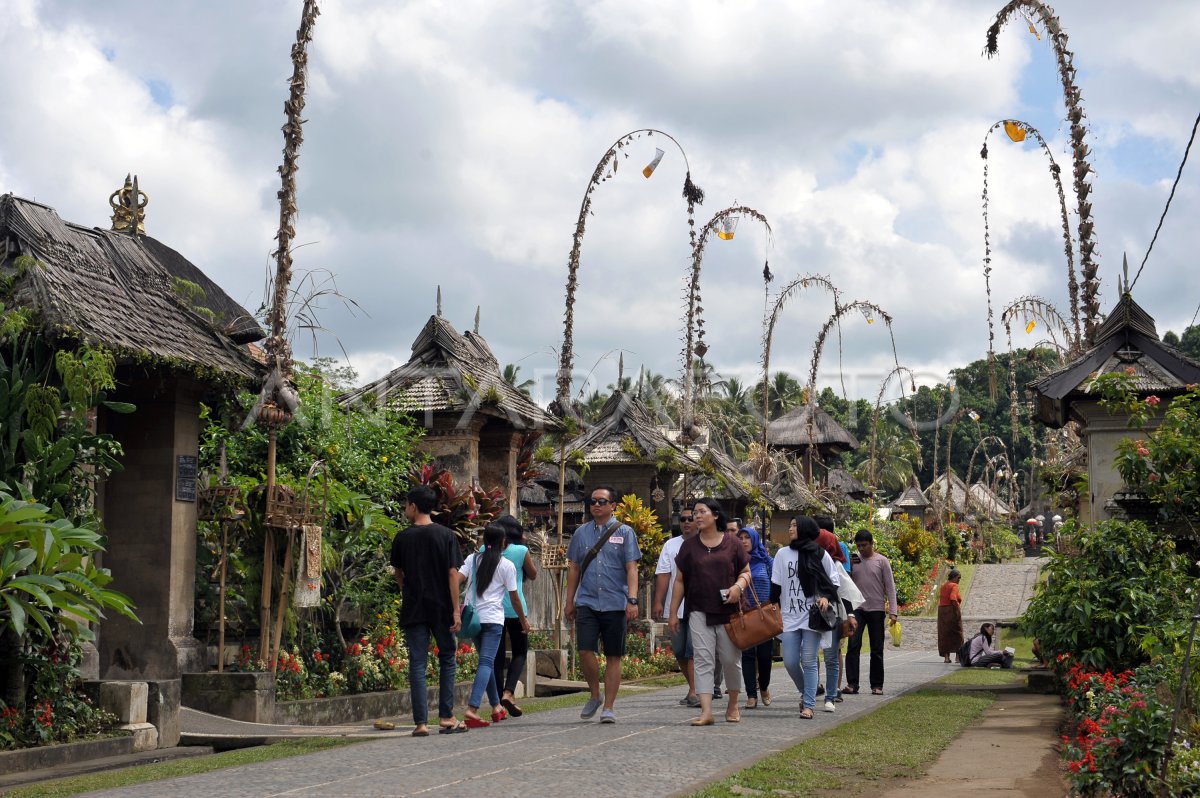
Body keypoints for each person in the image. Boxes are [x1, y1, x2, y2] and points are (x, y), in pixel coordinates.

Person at [390, 485, 466, 736]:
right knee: (447, 658)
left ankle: (421, 723)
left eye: (406, 505)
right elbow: (453, 574)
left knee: (418, 663)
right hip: (441, 606)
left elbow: (398, 571)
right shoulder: (446, 536)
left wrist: (405, 589)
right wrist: (456, 610)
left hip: (415, 607)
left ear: (413, 506)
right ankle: (446, 716)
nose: (405, 509)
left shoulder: (402, 537)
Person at [669, 498, 750, 726]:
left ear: (715, 515)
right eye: (694, 513)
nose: (697, 516)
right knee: (703, 660)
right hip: (698, 610)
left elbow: (746, 572)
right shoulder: (689, 547)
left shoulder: (732, 543)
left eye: (702, 512)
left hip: (728, 613)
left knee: (730, 659)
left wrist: (738, 587)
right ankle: (706, 711)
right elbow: (680, 581)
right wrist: (673, 612)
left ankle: (733, 703)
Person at [565, 486, 640, 724]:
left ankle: (608, 707)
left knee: (613, 655)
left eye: (601, 501)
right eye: (592, 501)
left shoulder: (625, 532)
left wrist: (632, 599)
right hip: (587, 600)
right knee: (585, 650)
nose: (596, 505)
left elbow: (632, 568)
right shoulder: (580, 533)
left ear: (613, 505)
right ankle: (594, 694)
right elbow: (574, 567)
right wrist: (569, 601)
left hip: (615, 602)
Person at [458, 523, 529, 727]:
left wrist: (455, 606)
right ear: (504, 542)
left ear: (484, 541)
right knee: (486, 663)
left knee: (485, 662)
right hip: (493, 620)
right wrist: (523, 621)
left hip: (474, 619)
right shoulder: (506, 565)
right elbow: (515, 599)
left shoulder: (472, 560)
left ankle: (497, 707)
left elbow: (456, 578)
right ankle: (472, 709)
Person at [772, 516, 841, 718]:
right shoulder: (782, 554)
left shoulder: (820, 554)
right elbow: (775, 585)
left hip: (812, 616)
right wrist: (772, 607)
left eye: (794, 525)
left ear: (803, 528)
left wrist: (826, 598)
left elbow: (834, 581)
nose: (790, 528)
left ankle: (809, 705)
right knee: (791, 661)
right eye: (790, 524)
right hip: (789, 615)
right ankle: (806, 692)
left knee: (809, 660)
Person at [491, 515, 538, 717]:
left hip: (493, 609)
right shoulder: (521, 551)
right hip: (516, 609)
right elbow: (533, 574)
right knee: (520, 652)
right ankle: (508, 693)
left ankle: (497, 701)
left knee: (497, 656)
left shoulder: (486, 550)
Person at [654, 508, 700, 707]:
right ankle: (693, 686)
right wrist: (658, 601)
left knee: (693, 650)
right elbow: (664, 574)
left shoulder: (706, 542)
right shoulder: (671, 545)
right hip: (676, 607)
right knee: (680, 650)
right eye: (683, 519)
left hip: (699, 606)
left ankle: (694, 691)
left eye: (691, 518)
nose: (687, 522)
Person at [844, 529, 897, 696]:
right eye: (858, 546)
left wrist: (893, 611)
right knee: (853, 645)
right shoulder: (853, 560)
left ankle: (877, 685)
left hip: (876, 608)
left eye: (864, 545)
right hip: (857, 609)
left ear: (871, 544)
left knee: (876, 648)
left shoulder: (882, 561)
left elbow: (890, 586)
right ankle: (852, 683)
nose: (861, 549)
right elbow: (846, 581)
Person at [736, 526, 774, 709]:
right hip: (744, 614)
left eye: (747, 538)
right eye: (740, 537)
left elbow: (777, 584)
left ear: (754, 540)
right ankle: (751, 694)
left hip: (764, 614)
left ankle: (764, 686)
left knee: (765, 656)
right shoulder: (735, 562)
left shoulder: (767, 561)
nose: (743, 541)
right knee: (748, 654)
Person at [813, 515, 848, 703]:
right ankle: (816, 688)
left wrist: (849, 614)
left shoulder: (835, 564)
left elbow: (846, 589)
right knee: (810, 655)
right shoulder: (808, 560)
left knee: (832, 654)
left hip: (832, 614)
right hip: (811, 612)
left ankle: (832, 691)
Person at [937, 569, 965, 663]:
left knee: (944, 634)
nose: (959, 580)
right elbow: (953, 598)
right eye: (958, 578)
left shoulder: (943, 586)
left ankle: (946, 657)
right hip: (951, 610)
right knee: (957, 633)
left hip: (942, 611)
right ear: (954, 577)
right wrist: (957, 611)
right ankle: (958, 657)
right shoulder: (954, 586)